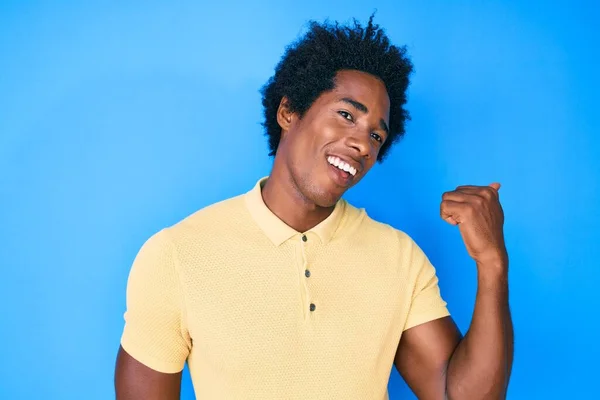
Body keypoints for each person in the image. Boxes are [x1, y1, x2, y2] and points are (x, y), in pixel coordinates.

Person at [114, 15, 513, 400]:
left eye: (376, 135)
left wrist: (492, 261)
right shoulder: (177, 254)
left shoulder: (399, 257)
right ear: (289, 112)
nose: (363, 144)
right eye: (345, 115)